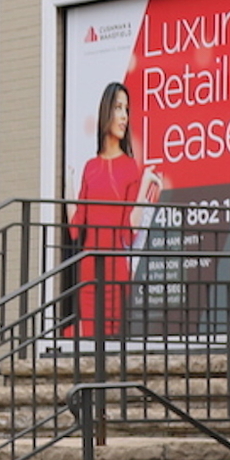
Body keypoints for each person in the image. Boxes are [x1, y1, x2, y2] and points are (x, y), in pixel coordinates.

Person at [66, 81, 164, 338]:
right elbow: (76, 229)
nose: (124, 116)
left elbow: (129, 231)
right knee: (87, 336)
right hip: (88, 266)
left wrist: (143, 185)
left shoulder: (130, 167)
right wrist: (68, 185)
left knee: (110, 337)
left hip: (116, 268)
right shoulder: (90, 167)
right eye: (118, 108)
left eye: (126, 109)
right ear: (106, 112)